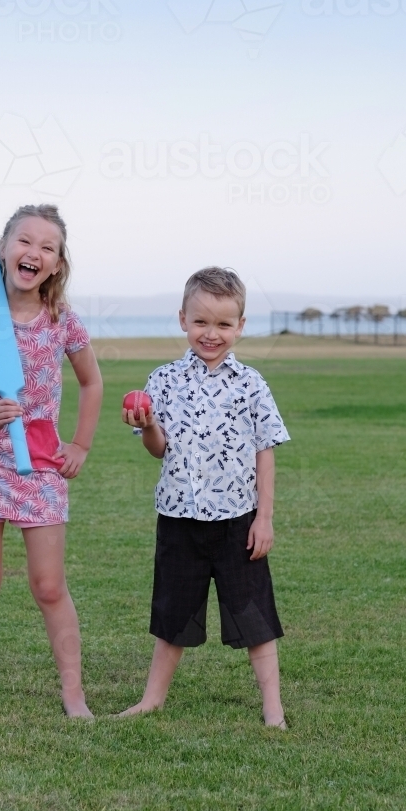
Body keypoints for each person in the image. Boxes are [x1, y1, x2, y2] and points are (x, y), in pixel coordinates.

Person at [0, 204, 103, 718]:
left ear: (56, 265)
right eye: (25, 241)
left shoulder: (62, 321)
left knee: (50, 585)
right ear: (4, 250)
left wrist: (79, 444)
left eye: (47, 247)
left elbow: (91, 382)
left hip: (40, 464)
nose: (33, 252)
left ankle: (74, 695)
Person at [120, 267, 290, 728]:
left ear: (240, 326)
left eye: (222, 324)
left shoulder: (251, 384)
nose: (210, 334)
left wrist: (265, 518)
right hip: (179, 518)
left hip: (239, 520)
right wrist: (148, 424)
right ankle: (151, 699)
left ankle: (272, 706)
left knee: (256, 616)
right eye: (201, 322)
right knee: (172, 614)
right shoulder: (163, 380)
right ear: (182, 319)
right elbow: (157, 449)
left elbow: (266, 451)